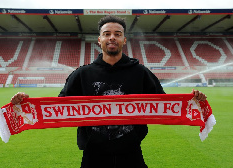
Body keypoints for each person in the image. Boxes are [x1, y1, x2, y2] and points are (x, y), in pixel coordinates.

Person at [11, 15, 207, 168]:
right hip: (93, 154)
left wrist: (192, 101)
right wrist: (27, 104)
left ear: (124, 40)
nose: (112, 37)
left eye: (117, 33)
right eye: (107, 34)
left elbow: (165, 105)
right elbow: (59, 107)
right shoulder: (82, 74)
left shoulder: (140, 72)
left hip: (131, 151)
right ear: (99, 40)